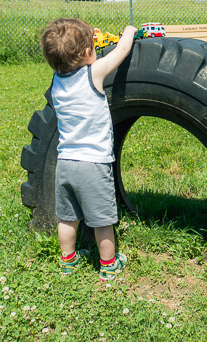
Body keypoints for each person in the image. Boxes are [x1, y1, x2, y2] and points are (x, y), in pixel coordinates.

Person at [39, 18, 138, 279]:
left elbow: (66, 54)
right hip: (93, 164)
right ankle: (108, 265)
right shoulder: (92, 73)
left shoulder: (56, 80)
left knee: (68, 218)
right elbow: (122, 51)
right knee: (102, 220)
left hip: (66, 162)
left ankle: (68, 261)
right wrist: (129, 31)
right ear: (86, 53)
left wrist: (83, 40)